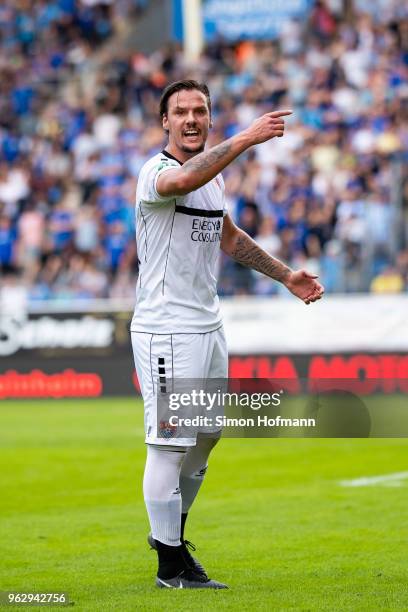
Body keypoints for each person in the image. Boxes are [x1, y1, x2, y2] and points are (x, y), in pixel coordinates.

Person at [130, 79, 324, 589]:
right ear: (164, 122)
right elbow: (178, 185)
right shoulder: (158, 172)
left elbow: (229, 237)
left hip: (206, 324)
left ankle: (169, 535)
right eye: (181, 112)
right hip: (167, 328)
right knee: (169, 446)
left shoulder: (212, 181)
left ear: (209, 117)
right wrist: (244, 139)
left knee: (207, 435)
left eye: (200, 111)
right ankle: (170, 566)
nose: (191, 119)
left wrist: (286, 277)